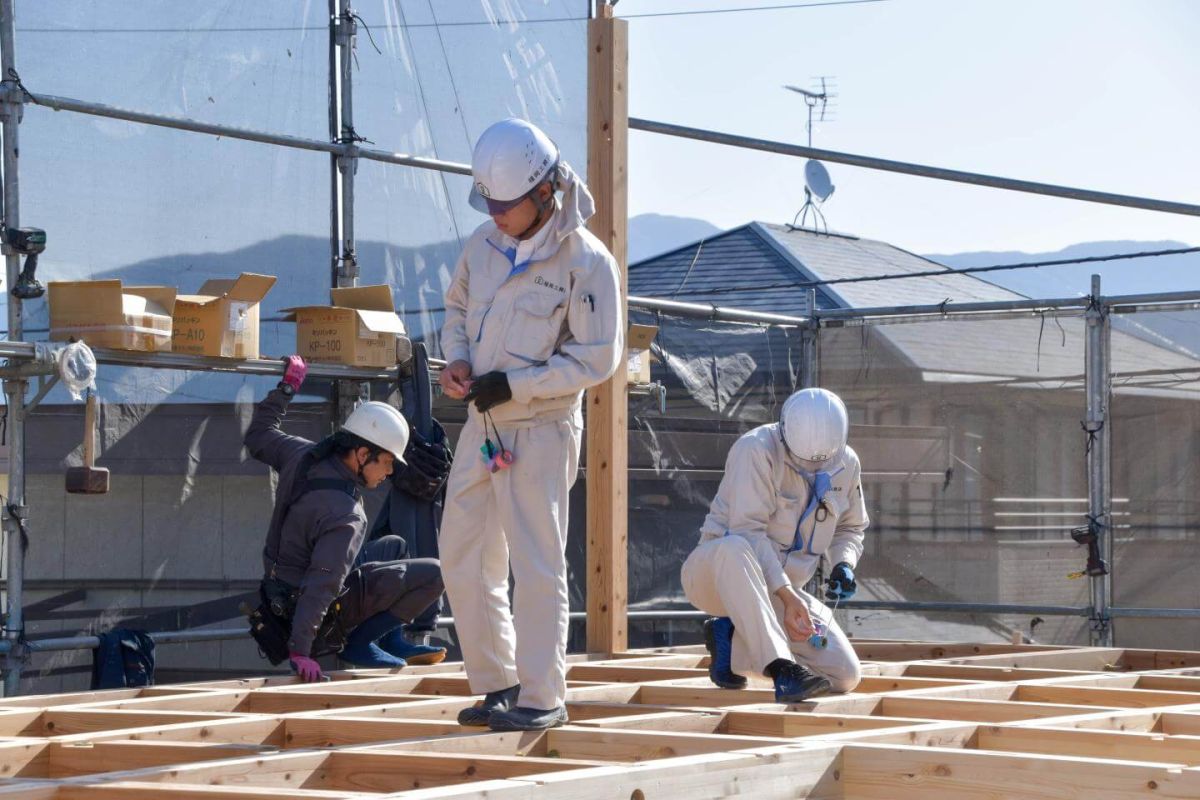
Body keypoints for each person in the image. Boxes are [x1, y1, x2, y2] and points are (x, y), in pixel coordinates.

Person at [438, 118, 623, 731]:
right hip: (484, 422)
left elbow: (598, 358)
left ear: (545, 193)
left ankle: (543, 698)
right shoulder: (483, 246)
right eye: (488, 203)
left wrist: (518, 385)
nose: (495, 216)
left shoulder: (587, 263)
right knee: (462, 552)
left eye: (506, 206)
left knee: (537, 563)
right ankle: (498, 683)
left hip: (540, 426)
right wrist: (459, 359)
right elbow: (458, 308)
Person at [244, 355, 445, 682]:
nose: (390, 473)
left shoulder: (303, 456)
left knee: (394, 546)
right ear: (363, 454)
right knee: (436, 574)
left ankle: (389, 636)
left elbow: (258, 434)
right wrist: (300, 651)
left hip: (279, 590)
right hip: (313, 612)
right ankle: (360, 642)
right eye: (387, 462)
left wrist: (287, 388)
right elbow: (323, 585)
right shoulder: (346, 515)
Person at [681, 388, 868, 703]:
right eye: (803, 461)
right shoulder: (755, 450)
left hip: (780, 592)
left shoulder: (846, 463)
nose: (812, 469)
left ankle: (730, 642)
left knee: (844, 675)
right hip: (716, 577)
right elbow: (748, 531)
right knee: (735, 545)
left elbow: (850, 526)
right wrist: (786, 596)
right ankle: (782, 669)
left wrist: (844, 563)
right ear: (784, 433)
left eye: (819, 463)